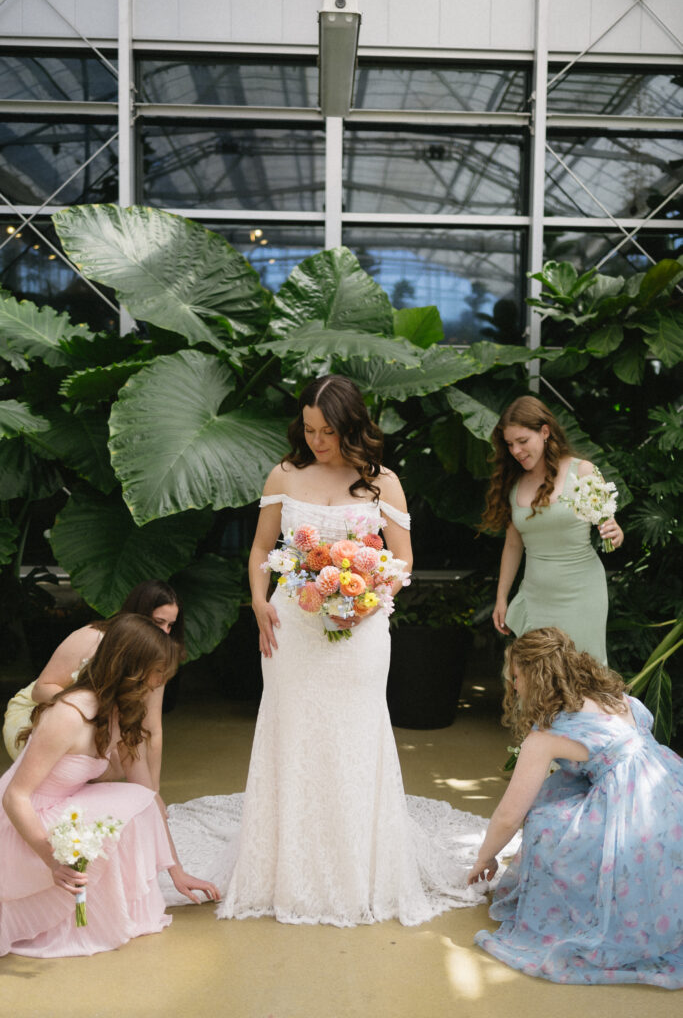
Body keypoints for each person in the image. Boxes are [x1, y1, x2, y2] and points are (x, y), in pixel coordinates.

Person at [164, 374, 489, 925]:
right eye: (310, 429)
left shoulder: (383, 481)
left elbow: (403, 559)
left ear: (353, 426)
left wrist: (367, 598)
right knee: (293, 732)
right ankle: (287, 867)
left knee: (356, 737)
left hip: (360, 632)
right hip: (292, 627)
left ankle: (359, 868)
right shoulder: (285, 474)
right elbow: (263, 547)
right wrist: (259, 601)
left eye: (329, 431)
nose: (317, 441)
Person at [467, 627, 683, 988]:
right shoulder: (616, 698)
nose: (513, 685)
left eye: (516, 677)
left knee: (547, 823)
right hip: (670, 794)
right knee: (558, 794)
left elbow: (510, 815)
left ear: (534, 678)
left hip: (632, 815)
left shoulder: (547, 737)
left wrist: (485, 857)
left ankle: (578, 909)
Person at [0, 613, 219, 958]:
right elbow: (15, 797)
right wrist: (52, 860)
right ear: (129, 667)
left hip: (60, 808)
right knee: (124, 806)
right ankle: (63, 916)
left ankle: (98, 915)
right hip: (21, 824)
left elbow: (147, 793)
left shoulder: (119, 712)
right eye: (157, 672)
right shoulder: (69, 714)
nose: (161, 681)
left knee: (140, 800)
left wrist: (178, 872)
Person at [2, 579, 184, 792]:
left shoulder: (155, 658)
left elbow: (152, 728)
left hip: (102, 719)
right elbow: (41, 689)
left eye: (170, 625)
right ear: (138, 614)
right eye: (158, 622)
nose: (165, 632)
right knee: (102, 748)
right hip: (43, 711)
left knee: (123, 754)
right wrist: (98, 711)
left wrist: (153, 792)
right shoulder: (92, 637)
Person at [480, 396, 624, 665]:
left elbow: (610, 530)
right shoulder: (514, 485)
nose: (516, 451)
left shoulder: (582, 471)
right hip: (536, 597)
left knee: (584, 676)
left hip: (583, 593)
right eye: (510, 444)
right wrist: (501, 597)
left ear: (545, 432)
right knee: (538, 684)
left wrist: (615, 533)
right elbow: (513, 545)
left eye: (523, 441)